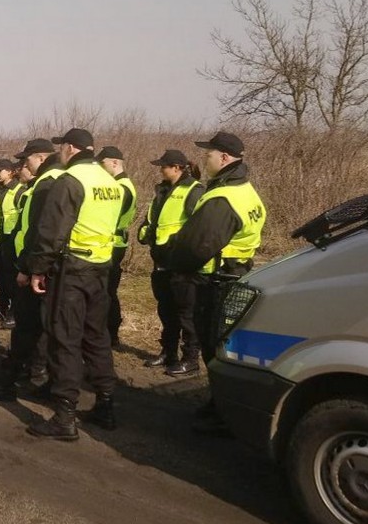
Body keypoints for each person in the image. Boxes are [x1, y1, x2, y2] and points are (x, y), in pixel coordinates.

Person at [25, 128, 122, 441]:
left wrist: (38, 268)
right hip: (101, 268)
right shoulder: (110, 180)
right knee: (97, 336)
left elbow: (51, 230)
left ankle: (65, 414)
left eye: (61, 148)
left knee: (64, 337)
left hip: (73, 269)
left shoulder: (71, 181)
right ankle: (106, 404)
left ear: (69, 148)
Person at [168, 131, 266, 434]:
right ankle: (220, 405)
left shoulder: (223, 197)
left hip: (216, 281)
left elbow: (197, 246)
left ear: (224, 157)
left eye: (208, 153)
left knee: (215, 346)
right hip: (235, 274)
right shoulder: (245, 190)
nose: (204, 158)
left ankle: (226, 414)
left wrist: (175, 258)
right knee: (224, 345)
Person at [0, 139, 57, 403]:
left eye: (26, 159)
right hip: (41, 264)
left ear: (40, 158)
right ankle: (38, 375)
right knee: (41, 327)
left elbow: (41, 232)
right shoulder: (43, 184)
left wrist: (29, 268)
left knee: (27, 327)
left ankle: (15, 379)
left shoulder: (46, 184)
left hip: (37, 268)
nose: (22, 165)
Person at [137, 149, 204, 375]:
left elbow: (197, 227)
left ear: (176, 167)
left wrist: (176, 244)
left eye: (164, 166)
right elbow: (152, 220)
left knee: (186, 313)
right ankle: (168, 353)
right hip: (161, 261)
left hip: (182, 263)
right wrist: (145, 232)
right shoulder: (162, 190)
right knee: (166, 310)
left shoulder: (194, 190)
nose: (160, 169)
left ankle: (191, 359)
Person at [96, 147, 136, 348]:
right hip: (112, 242)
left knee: (108, 290)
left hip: (114, 243)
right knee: (106, 290)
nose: (101, 169)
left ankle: (111, 333)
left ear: (114, 163)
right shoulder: (119, 185)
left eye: (102, 164)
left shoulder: (122, 187)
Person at [0, 158, 24, 330]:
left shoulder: (19, 190)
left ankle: (13, 311)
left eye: (0, 171)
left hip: (12, 239)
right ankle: (2, 306)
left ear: (10, 172)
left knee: (11, 276)